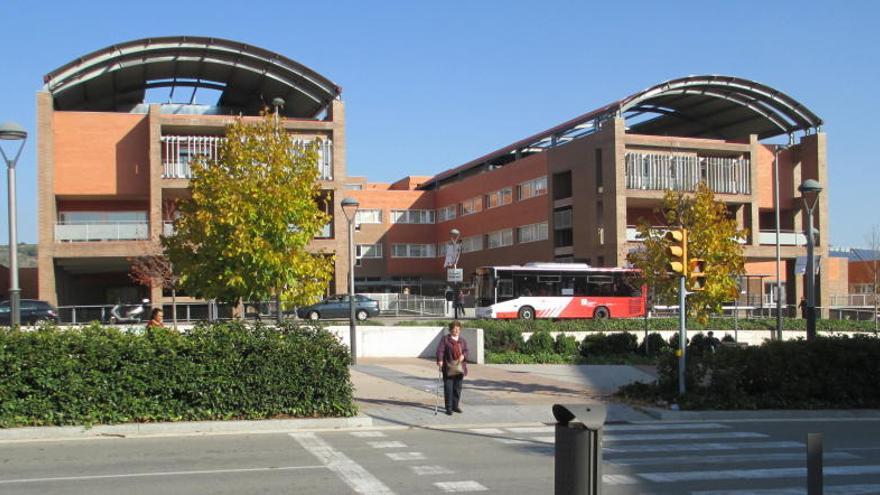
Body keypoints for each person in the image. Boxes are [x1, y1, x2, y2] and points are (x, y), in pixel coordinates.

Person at [436, 320, 469, 416]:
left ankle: (455, 406)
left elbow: (466, 350)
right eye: (455, 329)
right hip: (449, 366)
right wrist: (440, 360)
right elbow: (440, 350)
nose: (457, 331)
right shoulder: (445, 339)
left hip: (460, 367)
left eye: (458, 329)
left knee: (457, 388)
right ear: (450, 330)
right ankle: (449, 408)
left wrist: (464, 355)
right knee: (448, 388)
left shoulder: (462, 340)